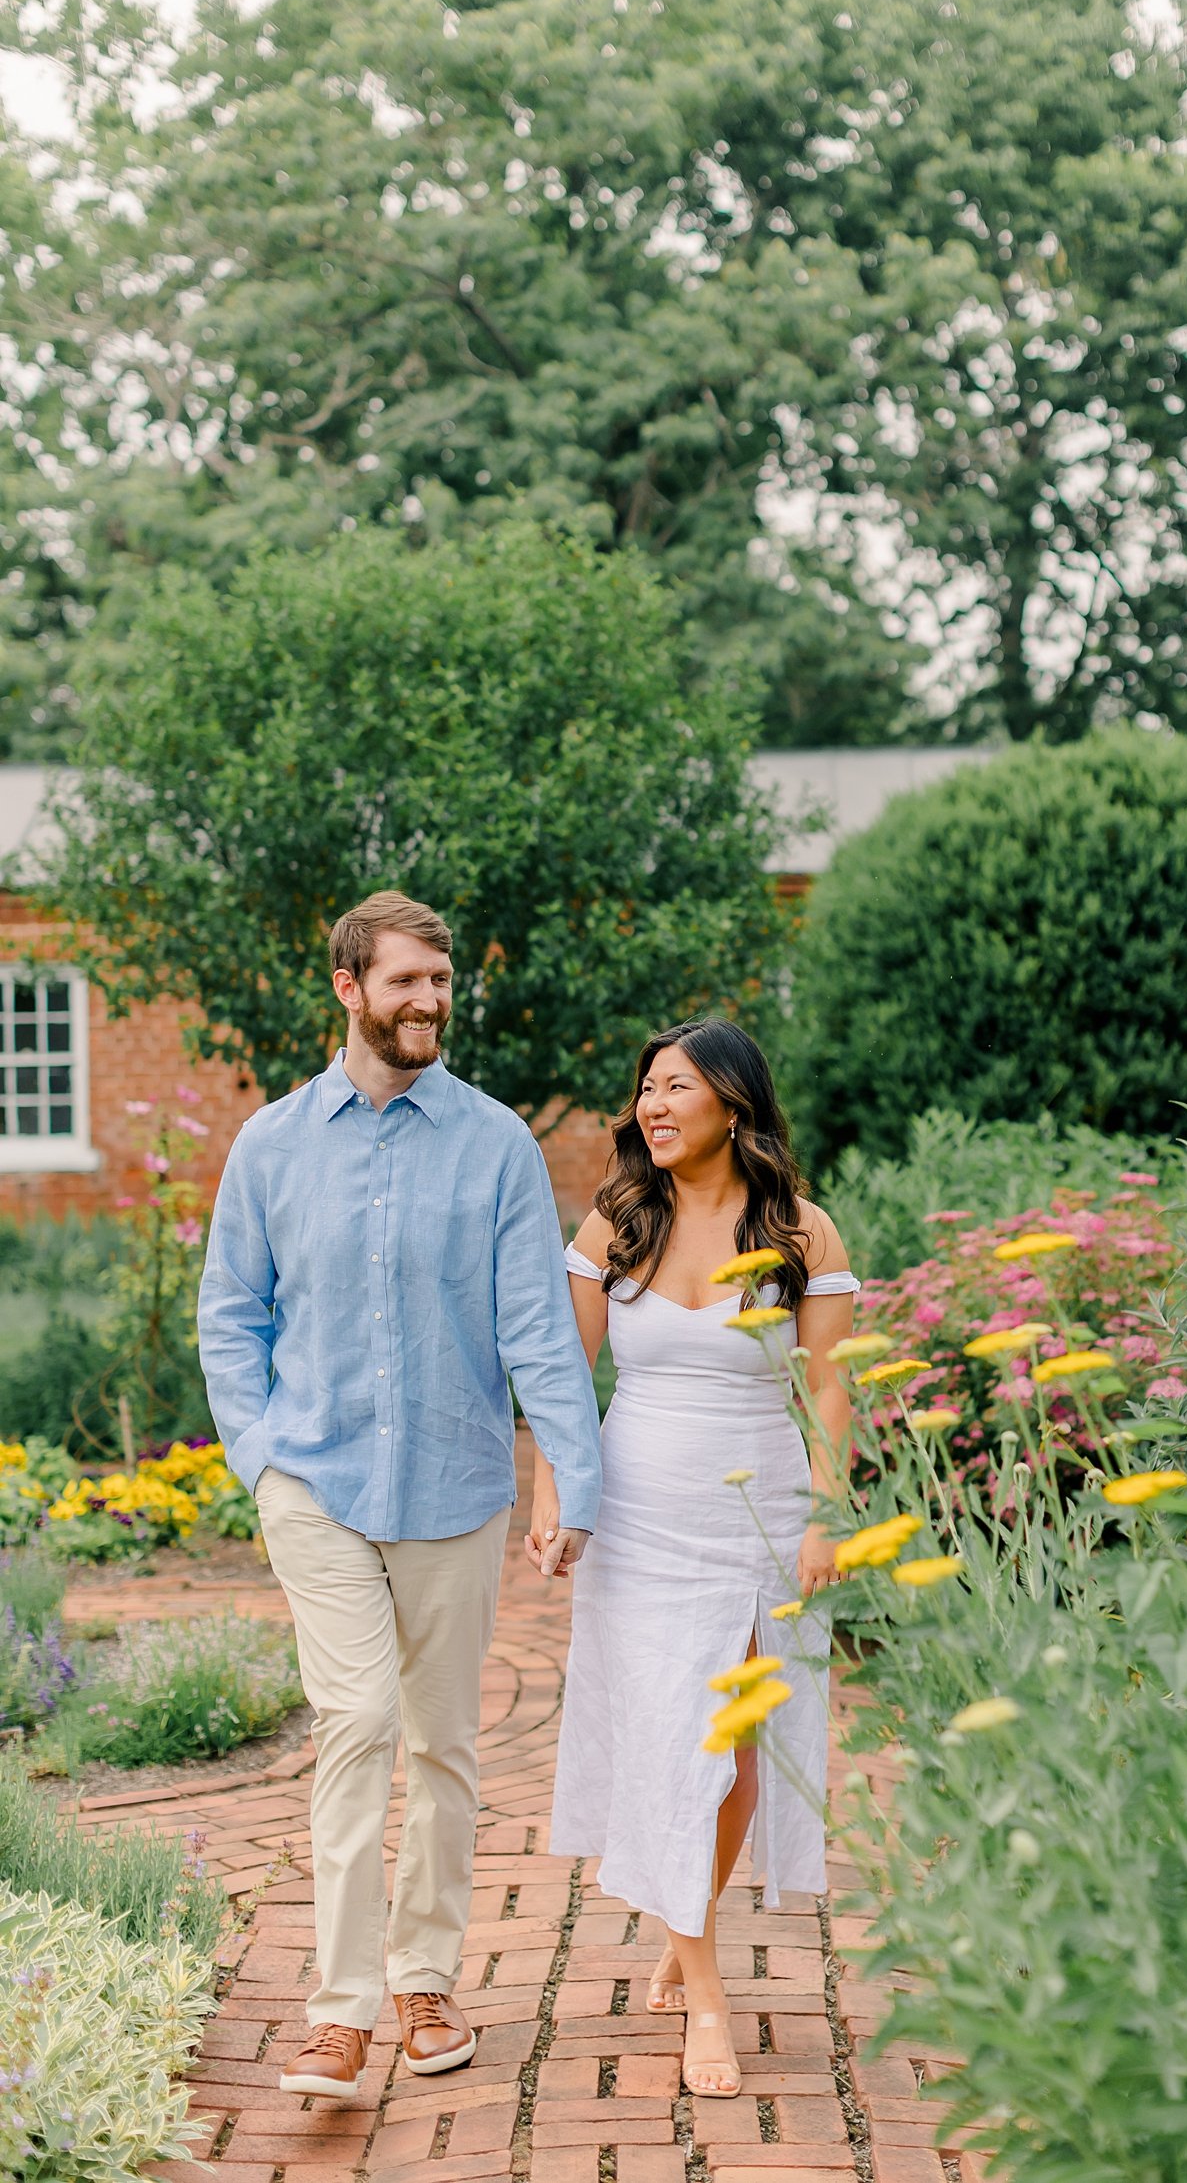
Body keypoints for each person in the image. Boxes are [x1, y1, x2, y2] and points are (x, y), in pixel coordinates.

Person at [198, 890, 601, 2100]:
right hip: (314, 1482)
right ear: (348, 989)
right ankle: (339, 2012)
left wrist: (564, 1472)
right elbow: (231, 1317)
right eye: (406, 981)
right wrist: (259, 1457)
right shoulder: (272, 1145)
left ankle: (426, 1980)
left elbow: (536, 1326)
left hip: (456, 1484)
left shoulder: (495, 1147)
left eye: (440, 982)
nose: (429, 1001)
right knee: (357, 1721)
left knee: (443, 1745)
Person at [541, 1016, 856, 2100]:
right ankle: (708, 2003)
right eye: (646, 1089)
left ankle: (688, 1927)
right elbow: (559, 1376)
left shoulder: (802, 1229)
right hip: (639, 1521)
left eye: (676, 1087)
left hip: (761, 1516)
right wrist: (554, 1494)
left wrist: (826, 1518)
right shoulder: (618, 1218)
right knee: (678, 1747)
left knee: (738, 1759)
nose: (654, 1107)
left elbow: (828, 1391)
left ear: (733, 1101)